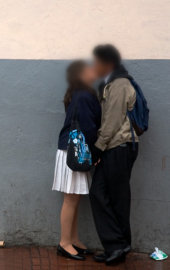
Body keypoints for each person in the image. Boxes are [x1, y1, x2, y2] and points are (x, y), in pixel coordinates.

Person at [89, 44, 138, 265]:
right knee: (99, 193)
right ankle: (116, 245)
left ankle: (119, 247)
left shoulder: (119, 84)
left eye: (97, 61)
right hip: (112, 148)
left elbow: (112, 122)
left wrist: (97, 147)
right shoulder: (110, 83)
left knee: (118, 198)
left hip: (119, 147)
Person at [53, 61, 101, 261]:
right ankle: (64, 243)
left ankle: (73, 239)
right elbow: (88, 127)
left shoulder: (78, 93)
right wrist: (95, 153)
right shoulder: (83, 95)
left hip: (72, 149)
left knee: (75, 198)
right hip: (76, 151)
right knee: (71, 199)